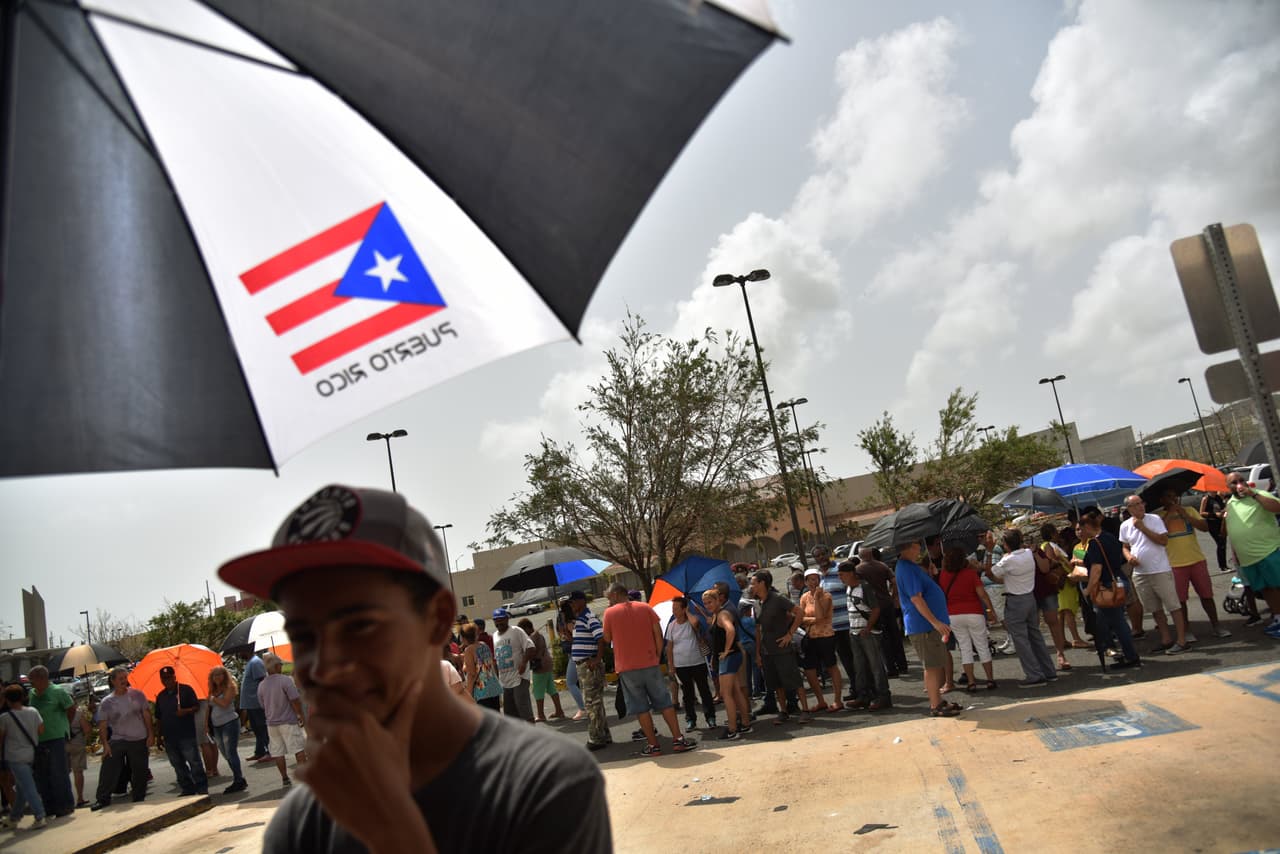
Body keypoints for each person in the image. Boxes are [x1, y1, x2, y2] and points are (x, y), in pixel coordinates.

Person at [217, 484, 610, 850]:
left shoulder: (544, 784)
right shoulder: (304, 822)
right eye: (303, 636)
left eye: (359, 626)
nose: (324, 665)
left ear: (437, 619)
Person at [601, 582, 696, 756]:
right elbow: (658, 634)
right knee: (664, 702)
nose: (608, 601)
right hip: (649, 663)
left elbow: (607, 638)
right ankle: (678, 739)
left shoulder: (609, 613)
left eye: (609, 598)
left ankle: (654, 745)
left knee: (640, 707)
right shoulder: (645, 608)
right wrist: (657, 655)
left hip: (627, 667)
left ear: (615, 595)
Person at [982, 529, 1058, 687]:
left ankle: (1034, 674)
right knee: (1035, 636)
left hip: (1016, 600)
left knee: (1020, 639)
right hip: (1030, 597)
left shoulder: (1008, 560)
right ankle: (1048, 670)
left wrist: (989, 551)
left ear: (1006, 545)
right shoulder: (1028, 554)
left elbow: (989, 573)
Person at [1156, 488, 1232, 639]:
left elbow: (1204, 527)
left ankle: (1216, 625)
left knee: (1206, 595)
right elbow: (1158, 535)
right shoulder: (1158, 517)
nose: (1173, 499)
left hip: (1196, 559)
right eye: (1169, 496)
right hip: (1175, 564)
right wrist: (1170, 514)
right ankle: (1186, 629)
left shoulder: (1189, 510)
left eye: (1175, 496)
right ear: (1162, 500)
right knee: (1181, 600)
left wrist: (1185, 516)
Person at [894, 540, 960, 717]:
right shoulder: (906, 568)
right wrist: (935, 622)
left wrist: (929, 575)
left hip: (926, 625)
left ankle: (937, 700)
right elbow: (916, 598)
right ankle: (935, 704)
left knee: (936, 663)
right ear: (906, 548)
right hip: (923, 625)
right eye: (916, 546)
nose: (919, 550)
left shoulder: (910, 567)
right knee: (931, 666)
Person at [1119, 495, 1190, 653]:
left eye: (1141, 503)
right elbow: (1124, 546)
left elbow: (1163, 541)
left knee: (1173, 605)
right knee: (1154, 608)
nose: (1140, 507)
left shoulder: (1154, 519)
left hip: (1160, 570)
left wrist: (1143, 528)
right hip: (1140, 572)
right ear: (1129, 509)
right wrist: (1128, 556)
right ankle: (1166, 639)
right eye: (1135, 505)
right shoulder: (1124, 525)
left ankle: (1182, 640)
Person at [1081, 511, 1141, 670]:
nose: (1081, 532)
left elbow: (1096, 570)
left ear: (1088, 527)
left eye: (1082, 528)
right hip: (1119, 580)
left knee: (1117, 622)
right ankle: (1113, 650)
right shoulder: (1109, 537)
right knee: (1108, 620)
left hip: (1108, 585)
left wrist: (1088, 589)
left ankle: (1130, 656)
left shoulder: (1095, 543)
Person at [1223, 472, 1280, 638]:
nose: (1239, 484)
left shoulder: (1259, 495)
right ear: (1229, 487)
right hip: (1248, 558)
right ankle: (1277, 618)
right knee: (1266, 589)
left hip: (1267, 551)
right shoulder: (1231, 504)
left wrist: (1254, 494)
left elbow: (1277, 508)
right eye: (1234, 482)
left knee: (1276, 586)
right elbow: (1232, 531)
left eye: (1242, 480)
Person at [92, 666, 153, 810]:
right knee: (109, 766)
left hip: (138, 737)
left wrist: (151, 734)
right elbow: (103, 724)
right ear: (113, 681)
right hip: (118, 738)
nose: (124, 681)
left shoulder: (137, 695)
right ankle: (102, 798)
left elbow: (146, 714)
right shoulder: (107, 701)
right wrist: (105, 744)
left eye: (125, 678)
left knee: (139, 770)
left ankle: (139, 797)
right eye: (120, 679)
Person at [938, 546, 998, 692]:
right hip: (974, 612)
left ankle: (971, 682)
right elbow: (982, 594)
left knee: (965, 649)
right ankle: (990, 680)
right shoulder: (970, 574)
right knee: (982, 646)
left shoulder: (943, 575)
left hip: (953, 615)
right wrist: (990, 610)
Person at [840, 560, 893, 709]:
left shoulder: (864, 587)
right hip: (855, 631)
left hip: (867, 632)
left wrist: (868, 628)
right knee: (860, 666)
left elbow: (875, 609)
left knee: (876, 665)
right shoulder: (849, 588)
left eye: (842, 574)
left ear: (851, 573)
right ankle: (864, 695)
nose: (840, 578)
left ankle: (883, 696)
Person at [25, 666, 75, 818]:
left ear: (42, 679)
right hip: (38, 739)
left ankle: (65, 805)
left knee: (58, 773)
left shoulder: (58, 691)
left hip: (56, 737)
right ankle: (50, 806)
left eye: (32, 680)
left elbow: (71, 708)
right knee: (42, 775)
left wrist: (65, 725)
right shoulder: (32, 693)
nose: (31, 684)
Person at [701, 588, 749, 740]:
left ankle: (732, 729)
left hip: (728, 657)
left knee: (725, 694)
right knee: (735, 691)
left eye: (710, 602)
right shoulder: (717, 615)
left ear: (718, 600)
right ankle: (746, 723)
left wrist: (727, 650)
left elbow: (730, 630)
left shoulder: (722, 615)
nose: (707, 605)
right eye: (705, 603)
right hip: (730, 657)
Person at [154, 665, 208, 796]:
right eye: (164, 678)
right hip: (169, 736)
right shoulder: (160, 696)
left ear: (174, 677)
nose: (167, 680)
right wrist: (158, 736)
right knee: (177, 765)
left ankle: (201, 787)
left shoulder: (185, 690)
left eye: (169, 677)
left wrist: (185, 711)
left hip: (186, 734)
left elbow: (196, 707)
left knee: (194, 762)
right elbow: (159, 717)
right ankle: (187, 787)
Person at [814, 545, 858, 704]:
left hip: (848, 623)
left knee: (856, 659)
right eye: (817, 556)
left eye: (823, 554)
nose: (820, 558)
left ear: (829, 554)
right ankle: (855, 688)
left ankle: (865, 689)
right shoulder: (818, 575)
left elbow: (853, 590)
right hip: (833, 627)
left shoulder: (840, 569)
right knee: (845, 660)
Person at [567, 591, 610, 751]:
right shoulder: (580, 620)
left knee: (592, 703)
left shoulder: (588, 617)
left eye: (573, 602)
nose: (571, 606)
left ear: (581, 602)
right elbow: (583, 640)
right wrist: (568, 636)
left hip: (589, 664)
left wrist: (597, 659)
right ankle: (603, 734)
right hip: (583, 664)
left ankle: (596, 738)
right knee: (595, 702)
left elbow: (601, 638)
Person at [0, 683, 47, 830]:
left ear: (6, 700)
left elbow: (1, 738)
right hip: (30, 753)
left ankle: (39, 815)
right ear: (23, 697)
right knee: (21, 788)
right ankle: (14, 817)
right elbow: (41, 730)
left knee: (28, 787)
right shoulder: (33, 711)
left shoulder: (5, 718)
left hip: (14, 756)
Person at [664, 597, 715, 732]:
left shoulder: (692, 621)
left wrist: (688, 612)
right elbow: (669, 647)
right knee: (687, 694)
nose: (674, 611)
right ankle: (691, 719)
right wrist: (671, 665)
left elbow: (695, 623)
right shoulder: (671, 626)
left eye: (676, 608)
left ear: (683, 609)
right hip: (681, 665)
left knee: (704, 690)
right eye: (673, 608)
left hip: (697, 662)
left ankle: (710, 717)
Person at [258, 653, 307, 788]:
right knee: (298, 748)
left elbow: (262, 705)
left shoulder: (261, 685)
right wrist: (300, 715)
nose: (281, 667)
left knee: (278, 752)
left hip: (271, 723)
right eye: (280, 664)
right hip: (288, 720)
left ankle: (285, 778)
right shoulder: (285, 680)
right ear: (276, 666)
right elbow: (295, 699)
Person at [858, 546, 907, 677]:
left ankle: (891, 668)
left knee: (883, 638)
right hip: (887, 603)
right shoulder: (882, 566)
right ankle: (902, 664)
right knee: (895, 634)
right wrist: (893, 595)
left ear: (860, 556)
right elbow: (894, 582)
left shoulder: (859, 570)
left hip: (874, 607)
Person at [798, 567, 842, 712]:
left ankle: (837, 700)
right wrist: (812, 620)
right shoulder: (804, 597)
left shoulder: (826, 596)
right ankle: (820, 700)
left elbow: (821, 616)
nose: (813, 582)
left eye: (816, 578)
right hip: (811, 636)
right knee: (810, 669)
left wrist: (816, 598)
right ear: (805, 581)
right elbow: (801, 618)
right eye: (810, 579)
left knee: (831, 666)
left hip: (825, 636)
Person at [208, 666, 248, 794]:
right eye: (215, 675)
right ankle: (239, 778)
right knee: (225, 754)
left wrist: (213, 698)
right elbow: (208, 709)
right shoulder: (212, 690)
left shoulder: (230, 687)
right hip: (216, 725)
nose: (218, 677)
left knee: (231, 752)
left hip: (229, 723)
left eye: (220, 674)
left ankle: (238, 779)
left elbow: (225, 703)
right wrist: (205, 725)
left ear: (225, 675)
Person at [516, 618, 564, 722]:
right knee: (551, 688)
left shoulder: (532, 637)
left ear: (527, 628)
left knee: (537, 691)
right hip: (548, 663)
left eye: (522, 630)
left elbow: (529, 651)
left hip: (540, 666)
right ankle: (559, 711)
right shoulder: (539, 635)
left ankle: (541, 715)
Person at [491, 610, 535, 723]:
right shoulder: (494, 636)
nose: (498, 622)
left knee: (523, 709)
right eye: (496, 620)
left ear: (507, 619)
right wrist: (497, 677)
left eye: (501, 619)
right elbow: (496, 658)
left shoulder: (516, 631)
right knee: (510, 714)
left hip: (519, 677)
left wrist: (524, 663)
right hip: (505, 681)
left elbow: (530, 648)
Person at [555, 600, 587, 720]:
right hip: (571, 654)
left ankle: (583, 708)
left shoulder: (570, 623)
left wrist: (567, 636)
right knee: (579, 682)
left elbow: (577, 640)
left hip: (575, 653)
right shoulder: (566, 622)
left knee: (571, 682)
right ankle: (585, 707)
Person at [460, 624, 501, 711]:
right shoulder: (484, 645)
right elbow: (489, 664)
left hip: (482, 691)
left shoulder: (469, 650)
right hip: (493, 687)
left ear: (463, 638)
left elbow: (472, 674)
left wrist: (468, 694)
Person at [240, 650, 270, 762]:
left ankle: (270, 751)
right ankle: (260, 751)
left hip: (256, 703)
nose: (239, 653)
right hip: (250, 703)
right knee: (257, 729)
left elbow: (263, 680)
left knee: (262, 727)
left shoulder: (256, 662)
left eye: (241, 650)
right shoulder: (250, 662)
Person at [66, 695, 93, 808]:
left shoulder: (59, 714)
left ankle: (66, 799)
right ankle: (80, 797)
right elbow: (87, 729)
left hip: (62, 743)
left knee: (63, 773)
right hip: (77, 742)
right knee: (78, 772)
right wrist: (84, 739)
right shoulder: (78, 713)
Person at [1200, 488, 1230, 572]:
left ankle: (1225, 565)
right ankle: (1222, 566)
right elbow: (1202, 513)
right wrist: (1214, 514)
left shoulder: (1218, 497)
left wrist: (1224, 510)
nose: (1215, 490)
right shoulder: (1206, 498)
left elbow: (1223, 507)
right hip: (1212, 523)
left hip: (1221, 522)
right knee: (1220, 542)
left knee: (1223, 542)